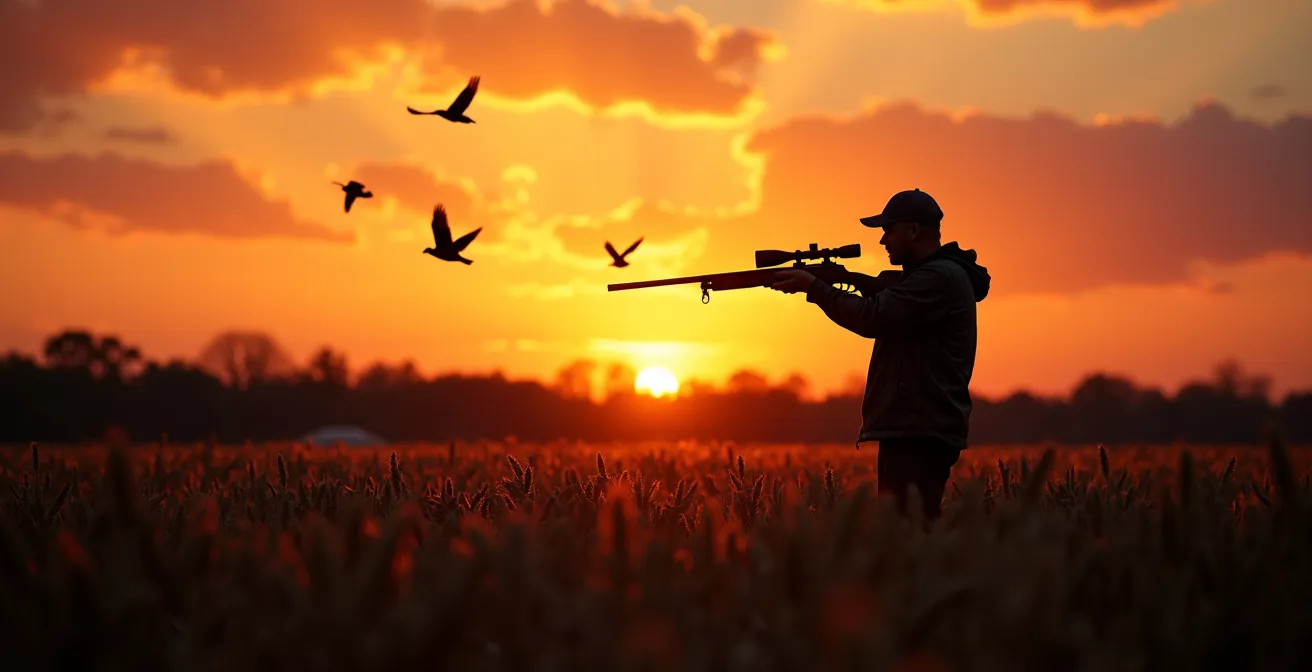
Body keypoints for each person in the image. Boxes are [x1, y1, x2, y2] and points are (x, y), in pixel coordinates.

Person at [769, 188, 991, 520]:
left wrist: (815, 288)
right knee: (908, 532)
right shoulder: (929, 277)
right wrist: (838, 283)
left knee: (906, 534)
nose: (883, 240)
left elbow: (870, 317)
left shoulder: (938, 278)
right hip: (916, 426)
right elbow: (884, 303)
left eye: (889, 230)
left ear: (914, 230)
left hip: (919, 429)